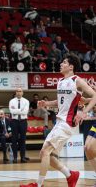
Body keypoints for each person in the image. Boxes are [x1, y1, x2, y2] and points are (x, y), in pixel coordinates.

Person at [21, 54, 96, 187]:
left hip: (67, 124)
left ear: (71, 67)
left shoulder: (77, 80)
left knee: (45, 152)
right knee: (47, 155)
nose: (61, 64)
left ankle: (39, 185)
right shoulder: (60, 82)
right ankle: (70, 175)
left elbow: (94, 95)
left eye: (64, 62)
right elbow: (60, 102)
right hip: (59, 122)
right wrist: (46, 103)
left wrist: (83, 113)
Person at [9, 88, 29, 163]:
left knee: (23, 140)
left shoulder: (26, 101)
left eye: (20, 91)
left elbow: (25, 112)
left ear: (22, 93)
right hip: (14, 121)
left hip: (23, 121)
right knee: (14, 140)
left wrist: (16, 111)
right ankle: (15, 157)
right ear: (15, 92)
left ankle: (23, 157)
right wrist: (21, 110)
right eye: (17, 91)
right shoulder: (12, 101)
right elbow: (11, 111)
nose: (18, 92)